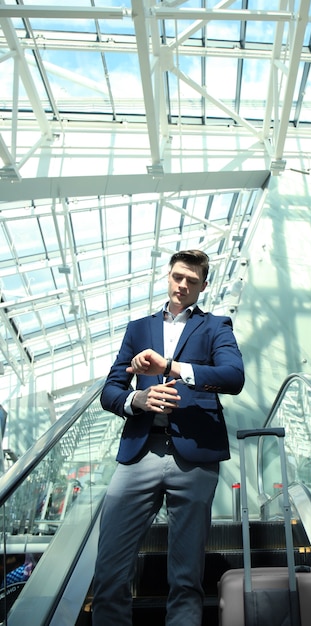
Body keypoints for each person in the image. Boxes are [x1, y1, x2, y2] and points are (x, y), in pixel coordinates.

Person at [92, 249, 245, 626]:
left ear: (203, 286)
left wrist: (171, 367)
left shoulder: (216, 327)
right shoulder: (138, 328)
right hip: (139, 453)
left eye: (192, 281)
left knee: (186, 576)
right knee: (110, 569)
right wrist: (137, 398)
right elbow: (110, 391)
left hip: (195, 457)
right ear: (168, 275)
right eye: (178, 276)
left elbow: (233, 377)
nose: (183, 285)